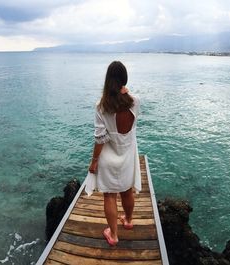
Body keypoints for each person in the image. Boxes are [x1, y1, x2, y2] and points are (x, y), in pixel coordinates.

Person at [85, 61, 141, 246]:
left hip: (109, 157)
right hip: (127, 156)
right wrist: (126, 92)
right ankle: (128, 220)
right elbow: (128, 112)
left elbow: (100, 139)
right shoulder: (135, 102)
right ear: (124, 79)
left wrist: (94, 162)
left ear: (107, 80)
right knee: (127, 191)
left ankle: (114, 235)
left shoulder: (101, 107)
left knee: (109, 195)